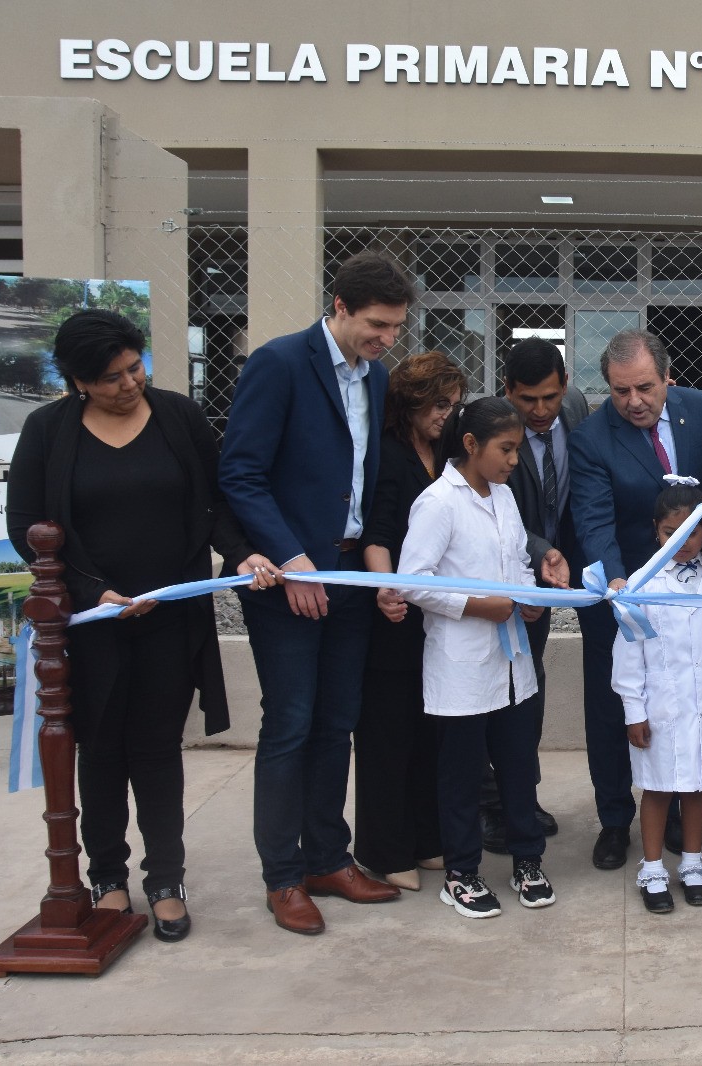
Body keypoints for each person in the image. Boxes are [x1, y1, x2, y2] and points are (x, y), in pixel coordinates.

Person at [7, 308, 279, 943]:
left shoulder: (180, 418)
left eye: (136, 367)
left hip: (170, 616)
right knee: (99, 751)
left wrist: (243, 555)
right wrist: (89, 591)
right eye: (110, 378)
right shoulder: (47, 431)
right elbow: (27, 527)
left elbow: (215, 505)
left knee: (157, 750)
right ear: (77, 382)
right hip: (93, 621)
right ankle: (108, 876)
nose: (129, 384)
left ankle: (165, 878)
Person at [219, 250, 414, 934]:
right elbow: (241, 473)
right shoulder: (278, 363)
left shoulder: (378, 376)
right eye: (376, 324)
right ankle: (283, 876)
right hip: (287, 582)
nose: (387, 338)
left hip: (348, 577)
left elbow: (361, 479)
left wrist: (371, 568)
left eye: (395, 327)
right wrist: (290, 558)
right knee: (292, 725)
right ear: (338, 306)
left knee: (337, 724)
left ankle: (329, 858)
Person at [568, 329, 702, 871]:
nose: (633, 401)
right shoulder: (591, 438)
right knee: (616, 707)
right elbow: (593, 519)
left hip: (690, 593)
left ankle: (680, 812)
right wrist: (616, 584)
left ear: (667, 378)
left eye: (643, 388)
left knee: (680, 705)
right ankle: (615, 821)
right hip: (626, 600)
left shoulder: (698, 410)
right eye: (619, 391)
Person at [394, 398, 557, 918]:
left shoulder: (504, 498)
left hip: (512, 663)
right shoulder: (438, 503)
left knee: (518, 767)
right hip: (462, 664)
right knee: (462, 775)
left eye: (516, 450)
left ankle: (528, 860)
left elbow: (517, 565)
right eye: (505, 449)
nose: (514, 460)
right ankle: (462, 873)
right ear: (470, 445)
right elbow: (414, 582)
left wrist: (528, 599)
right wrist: (480, 606)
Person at [353, 351, 466, 891]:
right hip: (394, 617)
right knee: (387, 739)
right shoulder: (390, 455)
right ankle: (384, 849)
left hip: (437, 619)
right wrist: (387, 589)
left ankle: (426, 841)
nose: (446, 414)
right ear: (412, 402)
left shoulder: (446, 455)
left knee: (431, 738)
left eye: (453, 404)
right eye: (438, 404)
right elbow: (376, 535)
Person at [615, 480, 702, 913]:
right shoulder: (639, 584)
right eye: (670, 531)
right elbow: (628, 654)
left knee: (696, 786)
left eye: (691, 531)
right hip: (660, 708)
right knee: (657, 788)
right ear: (656, 530)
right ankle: (653, 867)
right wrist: (633, 710)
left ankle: (692, 863)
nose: (682, 541)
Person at [484, 338, 589, 851]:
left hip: (557, 576)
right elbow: (498, 513)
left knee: (532, 683)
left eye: (550, 397)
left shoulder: (575, 410)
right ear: (508, 393)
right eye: (528, 401)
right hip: (507, 577)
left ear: (565, 387)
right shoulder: (491, 433)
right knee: (502, 688)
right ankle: (499, 804)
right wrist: (542, 550)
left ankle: (520, 796)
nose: (541, 411)